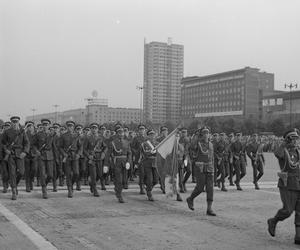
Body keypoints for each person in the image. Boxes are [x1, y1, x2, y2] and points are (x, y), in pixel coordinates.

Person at [267, 129, 300, 245]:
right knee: (287, 210)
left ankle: (298, 236)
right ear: (288, 139)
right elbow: (277, 152)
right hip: (287, 183)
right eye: (294, 139)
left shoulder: (298, 152)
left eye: (297, 138)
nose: (296, 141)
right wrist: (284, 143)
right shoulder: (283, 151)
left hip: (298, 183)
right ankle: (273, 221)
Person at [186, 126, 216, 216]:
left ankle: (209, 208)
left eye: (207, 133)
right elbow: (191, 146)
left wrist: (213, 168)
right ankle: (190, 199)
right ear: (201, 135)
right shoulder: (197, 143)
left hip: (210, 168)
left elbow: (212, 157)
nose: (206, 134)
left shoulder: (211, 144)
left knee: (210, 188)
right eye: (204, 133)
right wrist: (196, 135)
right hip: (200, 168)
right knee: (200, 187)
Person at [1, 116, 29, 200]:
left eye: (16, 122)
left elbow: (27, 143)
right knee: (12, 173)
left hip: (20, 154)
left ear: (18, 122)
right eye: (13, 122)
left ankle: (14, 184)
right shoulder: (7, 132)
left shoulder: (22, 132)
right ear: (11, 123)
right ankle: (13, 191)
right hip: (11, 155)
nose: (14, 123)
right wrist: (6, 150)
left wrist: (25, 152)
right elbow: (2, 143)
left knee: (21, 172)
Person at [33, 119, 57, 199]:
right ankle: (44, 190)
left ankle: (45, 184)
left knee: (50, 175)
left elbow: (54, 147)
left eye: (47, 125)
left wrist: (56, 157)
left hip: (50, 156)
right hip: (41, 156)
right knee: (42, 174)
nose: (45, 126)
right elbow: (33, 145)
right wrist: (36, 151)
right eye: (44, 125)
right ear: (42, 125)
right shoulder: (38, 134)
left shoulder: (52, 135)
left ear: (49, 125)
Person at [59, 120, 82, 198]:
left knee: (76, 173)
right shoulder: (63, 136)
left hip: (75, 156)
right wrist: (64, 154)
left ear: (73, 127)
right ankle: (69, 189)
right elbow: (60, 147)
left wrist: (78, 154)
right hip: (67, 156)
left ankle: (71, 184)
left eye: (71, 126)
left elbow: (80, 146)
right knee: (68, 174)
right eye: (68, 126)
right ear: (67, 127)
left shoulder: (76, 136)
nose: (70, 127)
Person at [109, 126, 132, 203]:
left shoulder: (127, 142)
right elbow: (108, 154)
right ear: (116, 133)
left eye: (122, 132)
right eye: (119, 132)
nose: (121, 134)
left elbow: (129, 153)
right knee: (119, 180)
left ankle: (117, 189)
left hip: (125, 162)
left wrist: (128, 161)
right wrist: (106, 164)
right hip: (117, 162)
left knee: (124, 180)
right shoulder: (113, 142)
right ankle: (119, 195)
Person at [140, 129, 159, 201]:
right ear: (148, 136)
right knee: (150, 179)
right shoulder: (144, 144)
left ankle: (147, 186)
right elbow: (145, 153)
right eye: (150, 135)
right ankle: (149, 193)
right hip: (147, 162)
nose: (152, 136)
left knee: (156, 180)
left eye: (153, 134)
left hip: (155, 162)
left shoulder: (157, 143)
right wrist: (152, 151)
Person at [130, 124, 147, 194]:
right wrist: (136, 153)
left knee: (147, 173)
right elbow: (132, 147)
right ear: (138, 130)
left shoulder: (147, 138)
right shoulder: (136, 138)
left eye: (143, 129)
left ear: (145, 130)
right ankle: (141, 188)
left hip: (147, 158)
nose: (141, 131)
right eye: (140, 129)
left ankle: (144, 184)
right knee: (142, 173)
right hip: (139, 158)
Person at [24, 121, 37, 192]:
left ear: (33, 127)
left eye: (31, 126)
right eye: (28, 126)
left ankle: (31, 180)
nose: (30, 127)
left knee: (34, 169)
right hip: (26, 154)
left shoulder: (36, 134)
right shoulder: (24, 134)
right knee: (27, 171)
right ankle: (28, 185)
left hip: (34, 154)